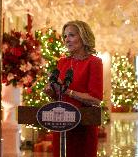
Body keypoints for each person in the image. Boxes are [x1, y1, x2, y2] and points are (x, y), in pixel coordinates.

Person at [44, 20, 103, 157]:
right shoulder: (62, 62)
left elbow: (95, 99)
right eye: (65, 36)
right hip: (61, 124)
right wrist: (51, 91)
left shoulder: (94, 62)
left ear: (83, 37)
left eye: (71, 35)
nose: (66, 40)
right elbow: (60, 94)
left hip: (83, 126)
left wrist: (67, 91)